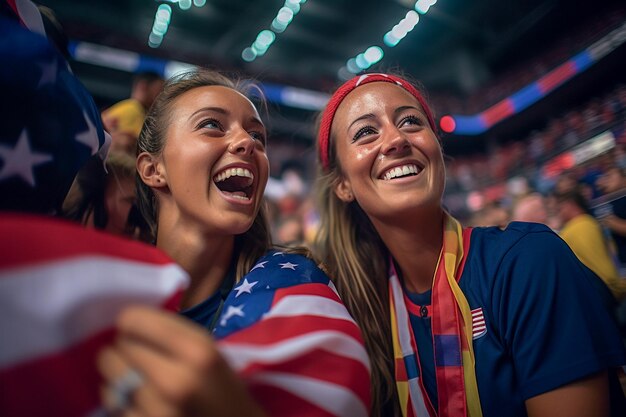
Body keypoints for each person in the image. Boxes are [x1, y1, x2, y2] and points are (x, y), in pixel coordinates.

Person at [313, 73, 626, 417]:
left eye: (411, 122)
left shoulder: (527, 261)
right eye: (366, 132)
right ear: (342, 184)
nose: (396, 139)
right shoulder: (355, 317)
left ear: (437, 148)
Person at [97, 69, 370, 417]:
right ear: (153, 170)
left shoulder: (296, 286)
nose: (247, 143)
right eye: (212, 124)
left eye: (257, 135)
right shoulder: (91, 298)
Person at [554, 190, 626, 301]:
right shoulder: (581, 225)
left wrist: (617, 288)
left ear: (570, 205)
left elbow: (603, 270)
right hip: (600, 293)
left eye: (560, 208)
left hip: (603, 294)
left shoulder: (581, 226)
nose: (558, 213)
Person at [101, 71, 164, 154]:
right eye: (159, 90)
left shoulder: (125, 106)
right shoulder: (133, 109)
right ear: (143, 86)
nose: (161, 96)